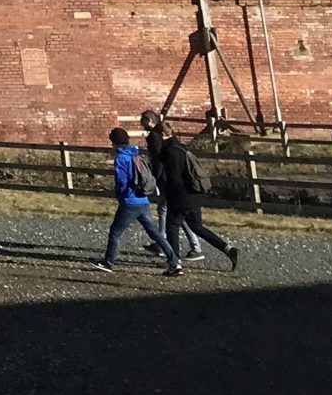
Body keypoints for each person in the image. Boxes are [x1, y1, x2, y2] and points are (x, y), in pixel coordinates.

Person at [154, 124, 241, 275]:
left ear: (162, 134)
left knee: (172, 227)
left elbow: (173, 178)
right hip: (194, 195)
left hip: (180, 197)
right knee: (197, 227)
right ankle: (227, 248)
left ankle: (175, 264)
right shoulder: (182, 147)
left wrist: (166, 191)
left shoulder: (170, 152)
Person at [99, 125, 172, 272]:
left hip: (129, 201)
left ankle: (108, 261)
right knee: (154, 233)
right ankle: (173, 259)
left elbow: (121, 181)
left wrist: (119, 193)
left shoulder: (120, 158)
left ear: (114, 142)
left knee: (115, 232)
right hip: (143, 200)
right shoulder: (135, 154)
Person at [141, 110, 198, 259]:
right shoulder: (162, 138)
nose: (141, 124)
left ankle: (163, 245)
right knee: (176, 215)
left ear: (149, 120)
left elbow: (158, 160)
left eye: (143, 121)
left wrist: (155, 180)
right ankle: (192, 246)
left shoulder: (154, 137)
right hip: (170, 182)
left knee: (166, 212)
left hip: (166, 182)